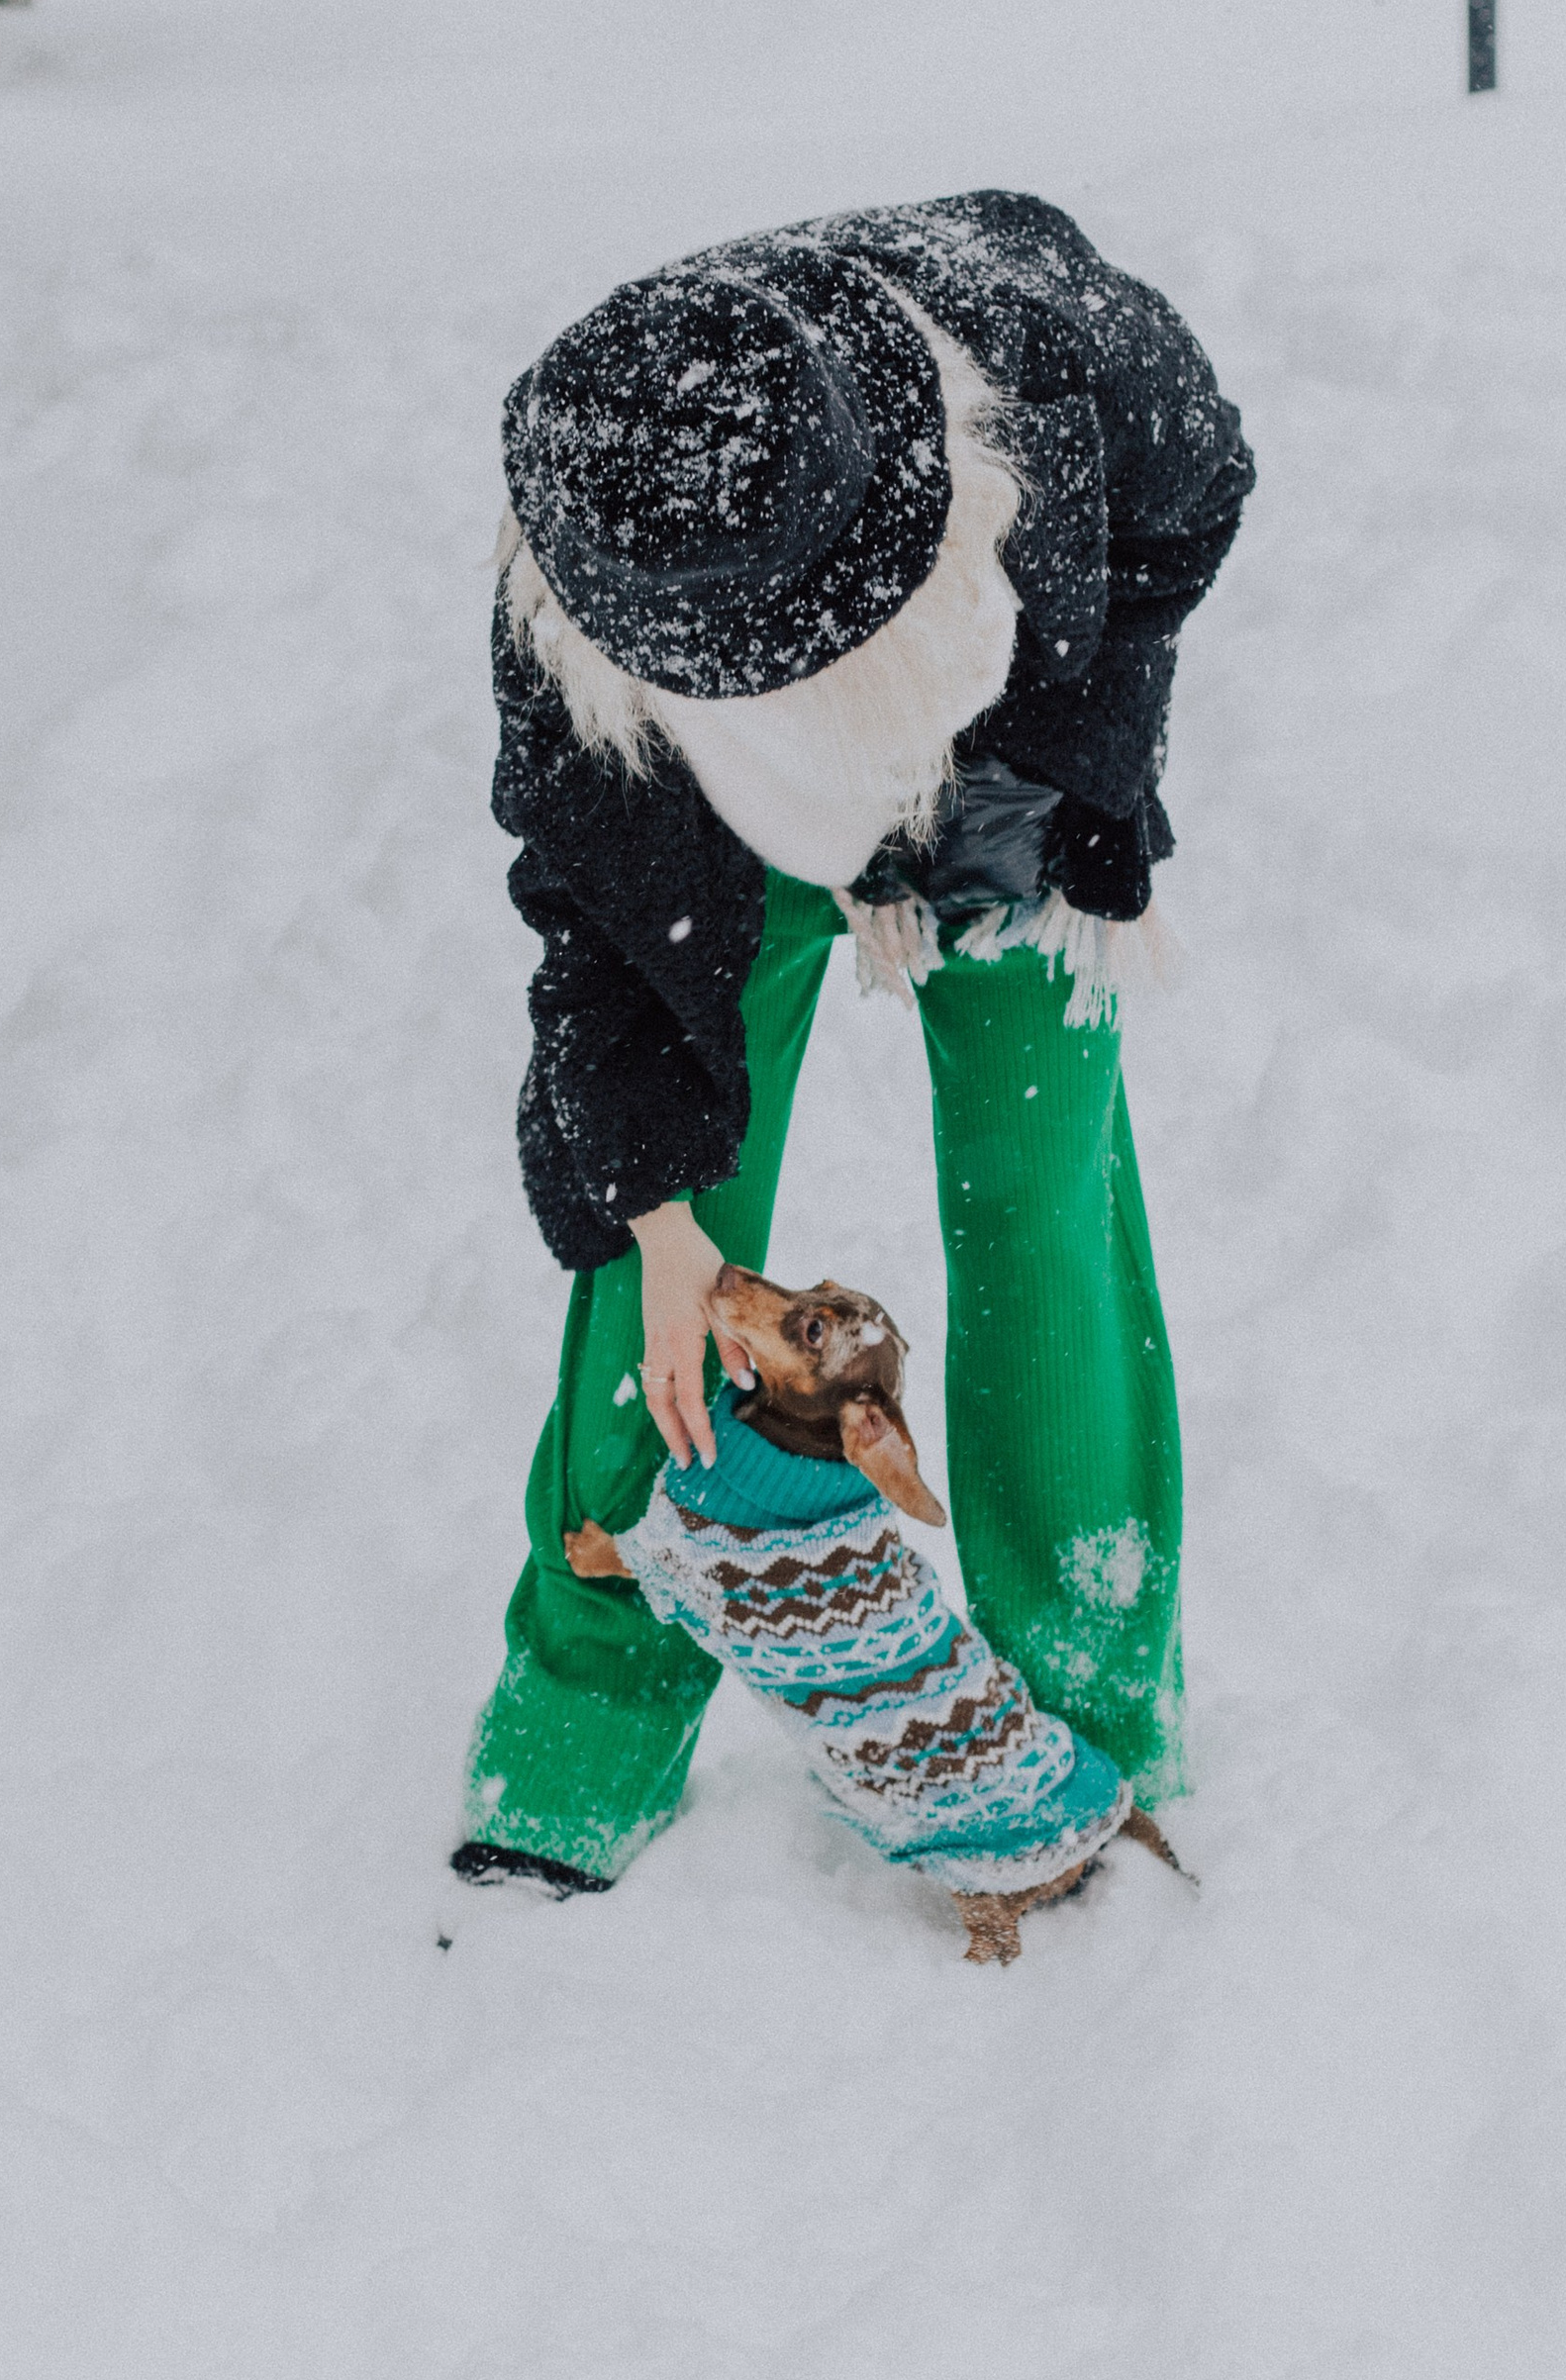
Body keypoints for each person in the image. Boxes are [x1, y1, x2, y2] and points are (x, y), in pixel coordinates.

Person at [454, 189, 1253, 1899]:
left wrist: (1048, 768)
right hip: (706, 826)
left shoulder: (1069, 360)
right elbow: (588, 929)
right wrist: (662, 1220)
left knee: (1043, 1214)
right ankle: (585, 1724)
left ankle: (1087, 1718)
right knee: (667, 1264)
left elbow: (1192, 512)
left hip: (998, 749)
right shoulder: (594, 545)